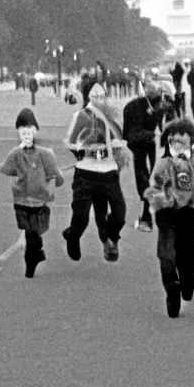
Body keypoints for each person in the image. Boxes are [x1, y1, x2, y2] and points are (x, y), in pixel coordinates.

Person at [144, 118, 194, 318]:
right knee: (166, 254)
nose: (178, 146)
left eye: (183, 142)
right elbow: (153, 185)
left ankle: (188, 281)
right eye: (173, 142)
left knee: (187, 255)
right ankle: (172, 289)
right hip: (167, 214)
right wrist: (156, 199)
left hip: (189, 213)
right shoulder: (162, 164)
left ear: (191, 144)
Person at [61, 83, 128, 262]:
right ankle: (73, 236)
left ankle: (110, 238)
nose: (99, 99)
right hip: (86, 173)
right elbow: (68, 141)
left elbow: (121, 140)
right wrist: (83, 149)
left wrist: (118, 146)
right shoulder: (82, 116)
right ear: (88, 97)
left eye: (102, 96)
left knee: (119, 214)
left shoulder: (112, 118)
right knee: (81, 218)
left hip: (109, 172)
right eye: (94, 96)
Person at [0, 108, 65, 278]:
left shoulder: (45, 153)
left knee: (33, 234)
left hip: (39, 201)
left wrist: (50, 182)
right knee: (30, 233)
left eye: (29, 129)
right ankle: (33, 261)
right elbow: (6, 169)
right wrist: (17, 160)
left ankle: (34, 257)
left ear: (35, 130)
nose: (26, 134)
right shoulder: (16, 153)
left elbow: (57, 177)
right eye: (22, 130)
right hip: (21, 200)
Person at [122, 81, 173, 233]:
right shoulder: (136, 108)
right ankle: (148, 215)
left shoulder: (149, 106)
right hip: (143, 145)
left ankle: (147, 215)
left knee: (148, 178)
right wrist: (153, 134)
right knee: (147, 178)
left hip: (147, 145)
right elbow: (131, 134)